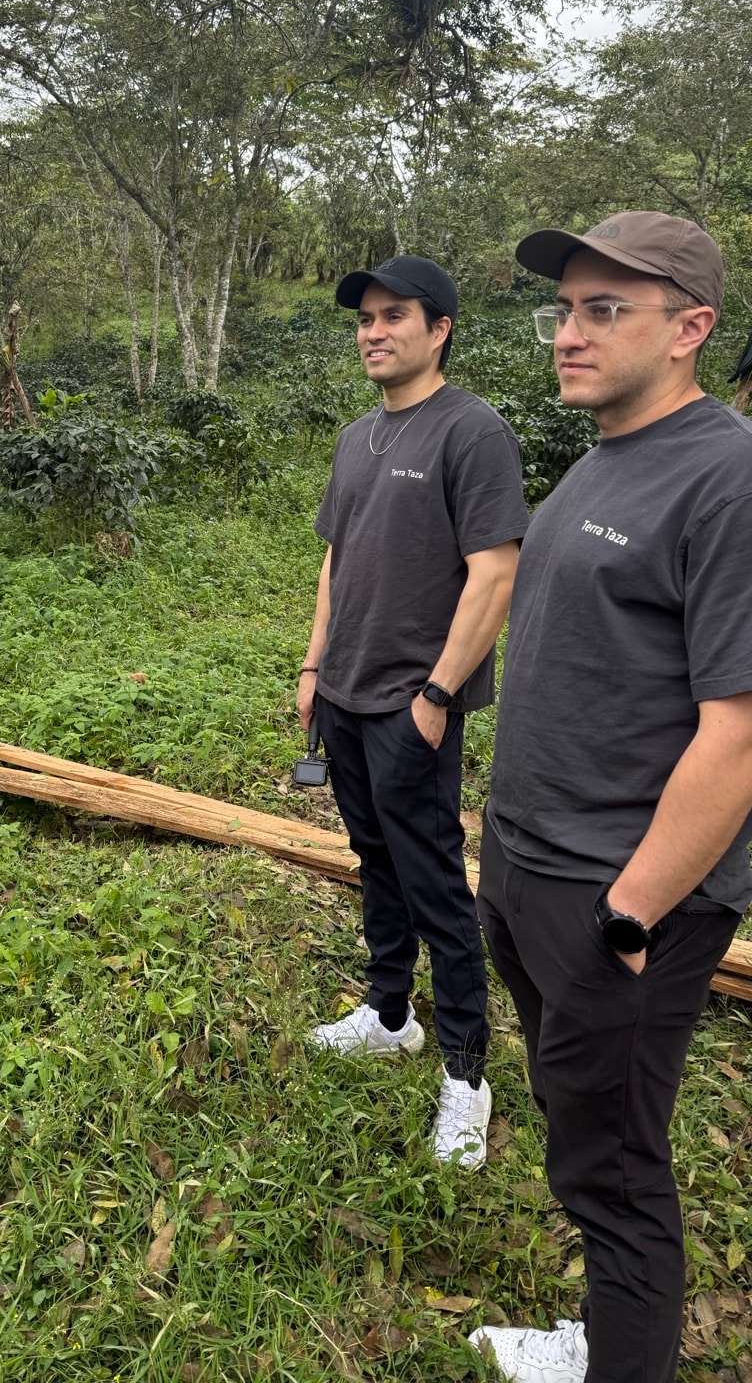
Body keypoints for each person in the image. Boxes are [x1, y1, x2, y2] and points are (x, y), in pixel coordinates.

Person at [470, 212, 752, 1383]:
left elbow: (738, 736)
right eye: (562, 309)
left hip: (619, 903)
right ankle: (603, 1343)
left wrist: (630, 914)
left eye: (603, 310)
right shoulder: (604, 451)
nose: (567, 334)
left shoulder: (729, 479)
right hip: (536, 867)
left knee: (619, 1171)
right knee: (580, 1130)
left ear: (691, 328)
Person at [300, 254, 528, 1166]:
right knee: (373, 861)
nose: (374, 330)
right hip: (344, 696)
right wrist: (314, 664)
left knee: (435, 880)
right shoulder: (358, 437)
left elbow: (496, 571)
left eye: (396, 316)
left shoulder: (471, 432)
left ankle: (466, 1072)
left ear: (440, 330)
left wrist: (436, 696)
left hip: (410, 706)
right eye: (365, 318)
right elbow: (333, 558)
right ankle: (390, 1013)